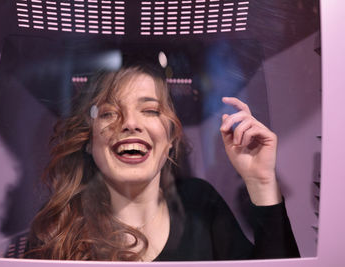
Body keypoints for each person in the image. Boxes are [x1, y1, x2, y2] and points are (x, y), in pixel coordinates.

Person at [24, 63, 300, 261]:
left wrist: (261, 182)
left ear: (170, 138)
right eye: (109, 113)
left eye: (150, 110)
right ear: (88, 140)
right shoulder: (57, 229)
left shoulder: (200, 203)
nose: (130, 123)